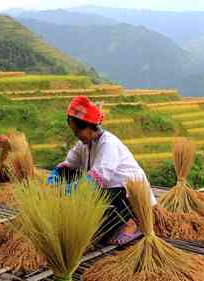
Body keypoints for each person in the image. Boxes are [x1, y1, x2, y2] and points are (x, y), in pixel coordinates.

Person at [48, 95, 156, 245]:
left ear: (90, 126)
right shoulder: (84, 145)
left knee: (93, 192)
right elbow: (68, 165)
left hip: (130, 196)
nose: (78, 136)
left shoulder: (108, 144)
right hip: (109, 194)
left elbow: (97, 179)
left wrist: (68, 192)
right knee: (72, 178)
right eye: (75, 133)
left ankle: (133, 223)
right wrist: (54, 178)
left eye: (79, 132)